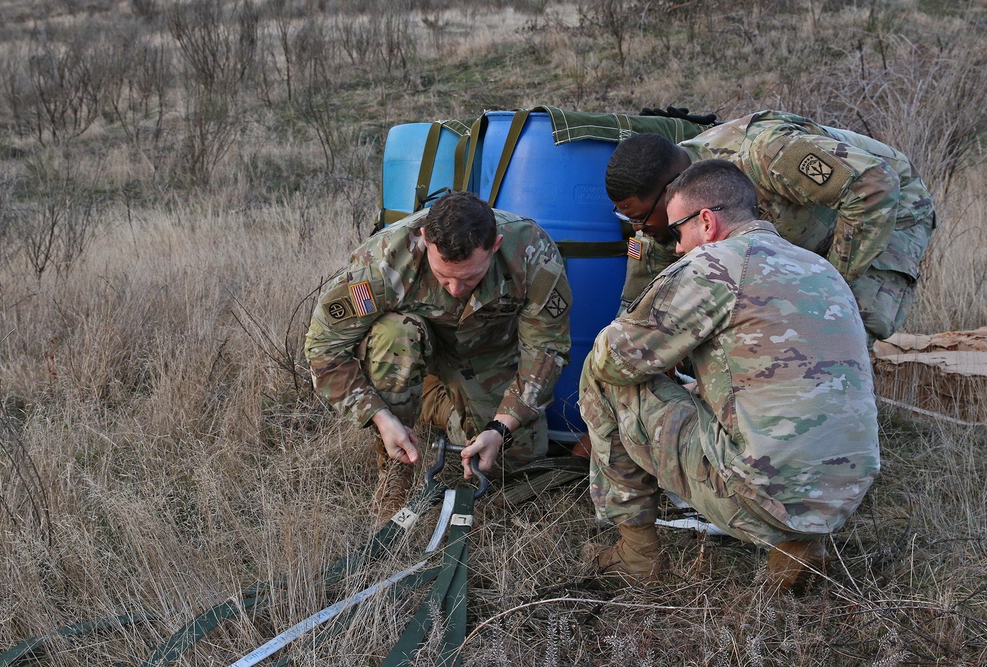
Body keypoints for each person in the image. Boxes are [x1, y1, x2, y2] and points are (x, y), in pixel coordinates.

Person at [580, 159, 880, 593]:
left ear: (706, 220)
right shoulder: (821, 267)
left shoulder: (712, 264)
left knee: (601, 372)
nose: (678, 247)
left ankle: (637, 554)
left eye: (678, 231)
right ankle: (800, 546)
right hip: (846, 491)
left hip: (758, 491)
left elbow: (614, 359)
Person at [304, 191, 572, 522]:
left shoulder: (532, 254)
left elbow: (546, 350)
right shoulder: (385, 262)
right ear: (425, 239)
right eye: (444, 276)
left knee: (511, 464)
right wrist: (380, 417)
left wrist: (501, 427)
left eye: (470, 277)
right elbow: (323, 348)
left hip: (487, 356)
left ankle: (438, 403)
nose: (456, 289)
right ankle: (395, 473)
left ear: (496, 245)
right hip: (415, 349)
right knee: (394, 333)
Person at [605, 110, 936, 344]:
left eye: (640, 218)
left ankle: (845, 429)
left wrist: (829, 285)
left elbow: (873, 185)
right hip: (806, 228)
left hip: (885, 206)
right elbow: (638, 308)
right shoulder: (659, 222)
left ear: (668, 192)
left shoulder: (764, 154)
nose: (639, 229)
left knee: (841, 322)